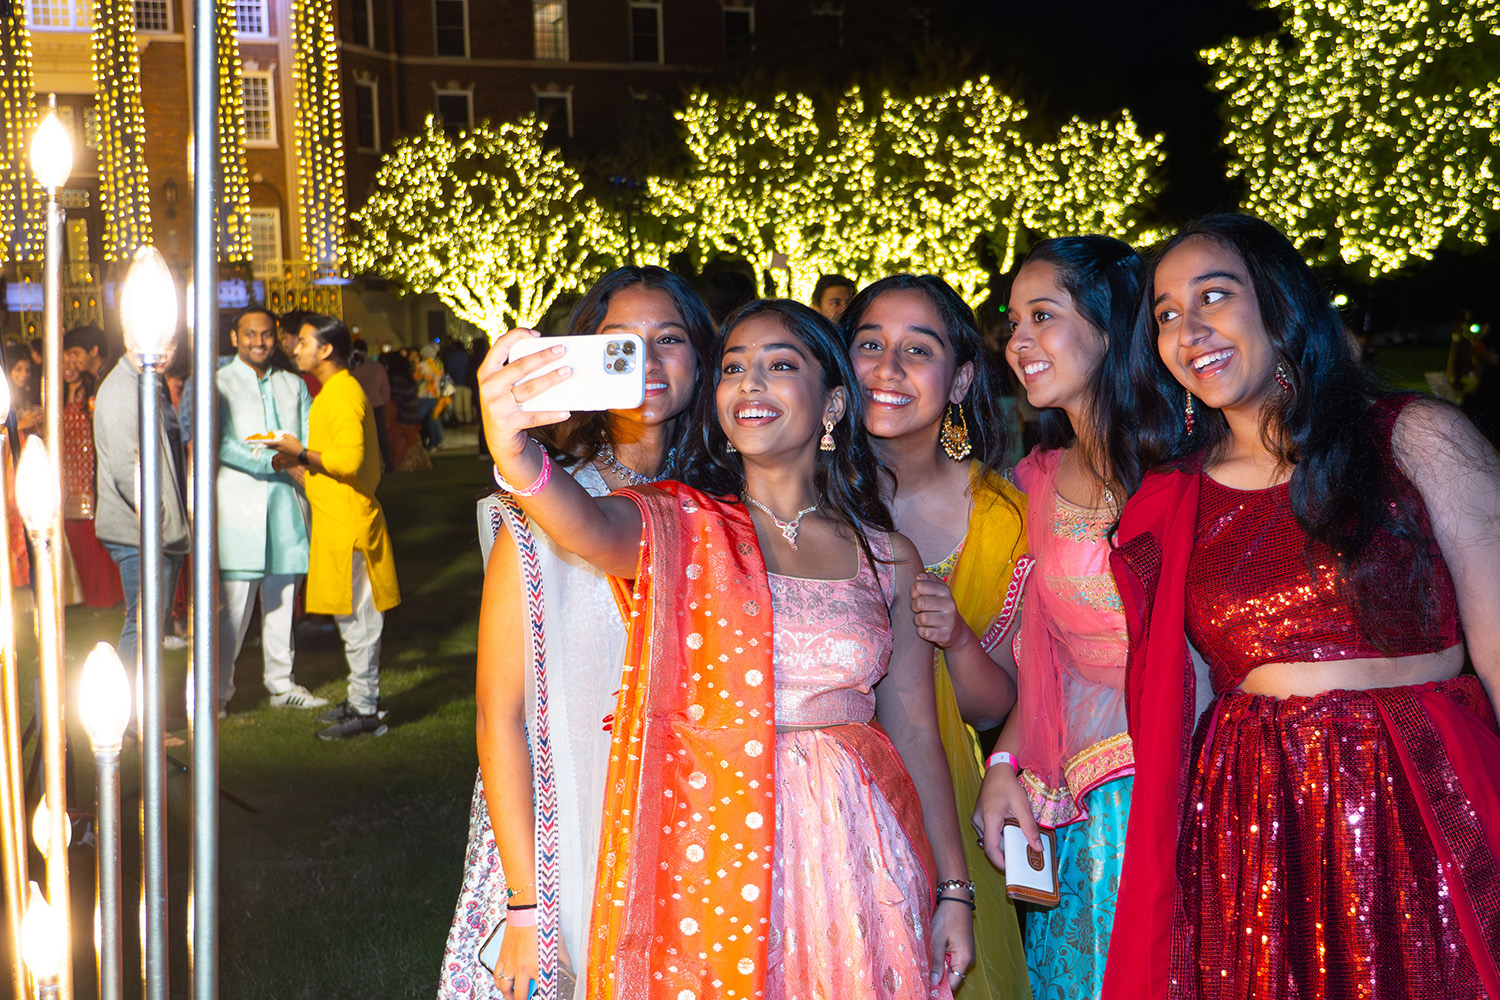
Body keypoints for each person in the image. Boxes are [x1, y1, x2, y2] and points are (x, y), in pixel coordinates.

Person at [479, 299, 975, 999]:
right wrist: (515, 449)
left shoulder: (887, 557)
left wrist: (955, 889)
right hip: (720, 845)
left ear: (833, 404)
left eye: (779, 365)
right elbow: (585, 523)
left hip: (858, 859)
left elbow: (917, 734)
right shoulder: (686, 525)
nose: (750, 383)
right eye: (734, 368)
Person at [1104, 214, 1500, 1000]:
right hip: (1254, 823)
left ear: (1280, 303)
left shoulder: (1415, 438)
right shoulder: (1169, 502)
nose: (1190, 328)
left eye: (1214, 295)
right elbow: (1176, 705)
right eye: (1168, 314)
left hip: (1421, 796)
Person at [438, 266, 714, 1000]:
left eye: (670, 340)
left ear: (704, 357)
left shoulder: (735, 504)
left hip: (707, 818)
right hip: (572, 826)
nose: (649, 363)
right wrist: (528, 906)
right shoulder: (540, 508)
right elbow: (501, 716)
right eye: (620, 346)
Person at [843, 273, 1030, 1000]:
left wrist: (955, 637)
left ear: (960, 380)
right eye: (868, 344)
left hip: (944, 792)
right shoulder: (801, 494)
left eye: (917, 350)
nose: (887, 369)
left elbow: (993, 707)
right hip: (821, 788)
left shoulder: (1001, 515)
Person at [968, 237, 1146, 999]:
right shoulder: (1035, 482)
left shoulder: (1196, 463)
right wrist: (1003, 765)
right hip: (1079, 801)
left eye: (1043, 315)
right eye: (1012, 322)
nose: (1018, 342)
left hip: (1192, 778)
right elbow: (1050, 652)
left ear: (1109, 329)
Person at [269, 314, 400, 740]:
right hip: (339, 520)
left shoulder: (342, 393)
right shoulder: (334, 392)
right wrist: (295, 464)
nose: (296, 347)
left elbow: (346, 461)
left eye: (304, 341)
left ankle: (365, 709)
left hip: (350, 525)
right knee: (352, 621)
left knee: (359, 621)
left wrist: (300, 451)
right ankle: (361, 700)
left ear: (326, 349)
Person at [215, 306, 325, 713]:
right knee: (234, 610)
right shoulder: (219, 383)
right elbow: (221, 442)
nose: (258, 342)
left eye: (265, 335)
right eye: (250, 334)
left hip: (287, 507)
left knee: (281, 602)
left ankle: (282, 684)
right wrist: (274, 461)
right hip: (240, 509)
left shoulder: (293, 384)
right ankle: (216, 695)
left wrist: (307, 461)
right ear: (234, 338)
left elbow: (309, 433)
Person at [93, 336, 190, 669]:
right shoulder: (122, 389)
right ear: (131, 339)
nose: (166, 351)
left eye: (172, 344)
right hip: (138, 530)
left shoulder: (143, 382)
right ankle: (133, 716)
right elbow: (125, 469)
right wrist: (160, 521)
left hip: (150, 528)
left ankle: (144, 711)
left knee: (149, 623)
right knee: (144, 623)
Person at [59, 325, 123, 609]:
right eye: (66, 356)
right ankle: (89, 596)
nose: (70, 362)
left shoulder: (97, 388)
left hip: (93, 472)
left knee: (97, 535)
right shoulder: (58, 395)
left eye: (75, 354)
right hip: (69, 474)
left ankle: (108, 596)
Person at [350, 338, 393, 472]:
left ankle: (364, 465)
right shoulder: (377, 367)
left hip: (360, 405)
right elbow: (386, 389)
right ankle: (388, 464)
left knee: (361, 436)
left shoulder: (353, 368)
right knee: (381, 435)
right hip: (377, 404)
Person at [415, 344, 446, 451]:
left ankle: (421, 442)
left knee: (420, 418)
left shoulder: (422, 365)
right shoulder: (439, 364)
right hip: (436, 394)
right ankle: (437, 440)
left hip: (424, 394)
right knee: (434, 419)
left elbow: (416, 378)